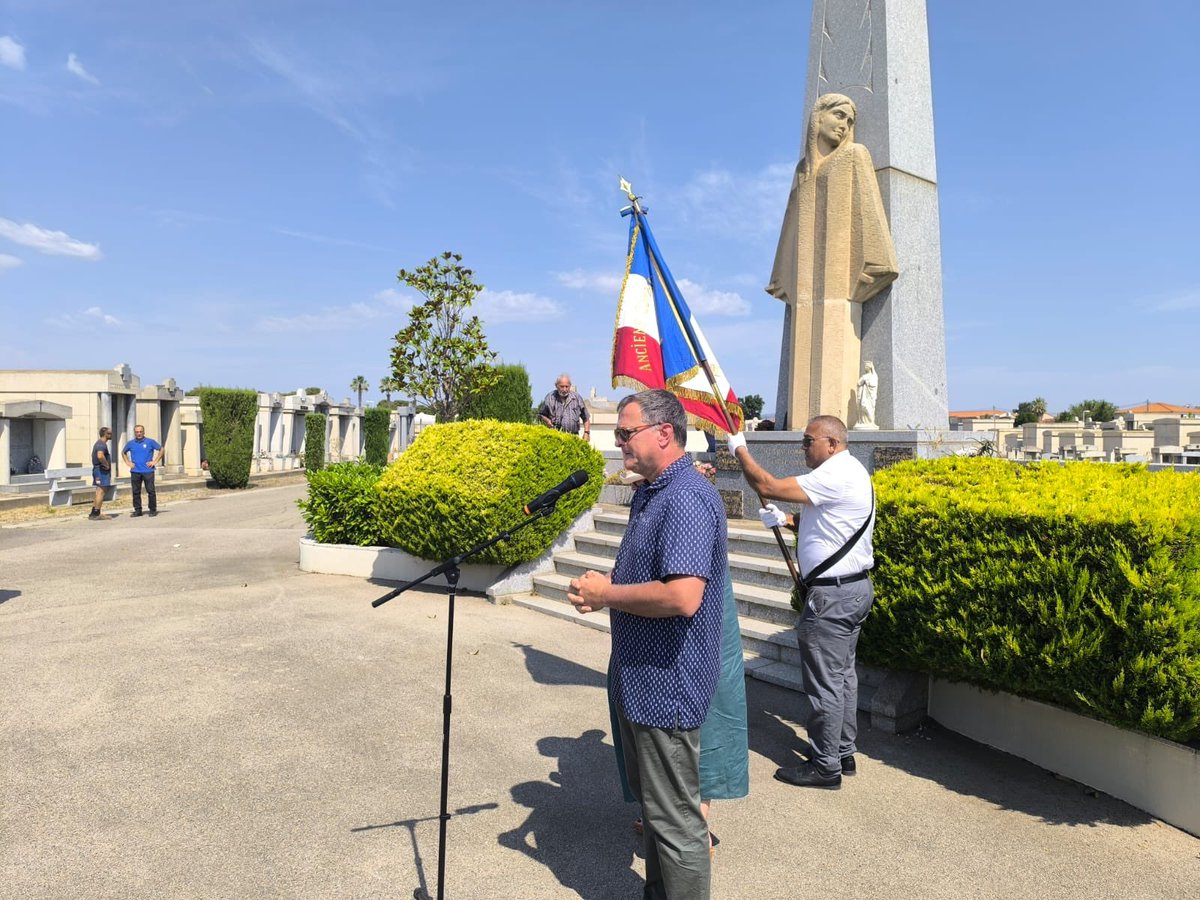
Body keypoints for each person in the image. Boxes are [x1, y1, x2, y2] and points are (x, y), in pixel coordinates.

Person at [569, 389, 726, 899]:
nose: (618, 443)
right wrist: (609, 585)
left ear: (664, 432)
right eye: (617, 433)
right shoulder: (654, 490)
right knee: (660, 818)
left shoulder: (684, 498)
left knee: (678, 826)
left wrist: (607, 593)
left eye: (625, 432)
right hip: (642, 681)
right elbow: (653, 572)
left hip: (667, 687)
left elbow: (683, 596)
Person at [727, 416, 875, 789]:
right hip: (851, 590)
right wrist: (786, 519)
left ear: (832, 443)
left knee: (825, 682)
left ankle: (826, 767)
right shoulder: (850, 470)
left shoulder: (835, 472)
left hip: (832, 597)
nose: (803, 447)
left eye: (808, 441)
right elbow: (829, 524)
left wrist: (739, 448)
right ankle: (842, 751)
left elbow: (766, 484)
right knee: (842, 676)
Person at [767, 93, 898, 429]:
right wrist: (783, 275)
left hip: (842, 287)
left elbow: (868, 210)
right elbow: (790, 223)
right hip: (806, 289)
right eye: (839, 115)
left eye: (850, 121)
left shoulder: (854, 156)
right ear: (818, 117)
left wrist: (875, 261)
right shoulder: (802, 171)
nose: (844, 125)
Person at [122, 424, 163, 517]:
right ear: (134, 433)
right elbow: (123, 452)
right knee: (136, 491)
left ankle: (152, 509)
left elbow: (161, 449)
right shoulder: (131, 443)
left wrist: (155, 461)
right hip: (135, 471)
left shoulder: (150, 442)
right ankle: (138, 510)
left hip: (148, 471)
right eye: (137, 432)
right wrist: (128, 462)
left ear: (143, 432)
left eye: (140, 432)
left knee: (151, 491)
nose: (139, 433)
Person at [538, 373, 591, 440]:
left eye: (567, 386)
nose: (565, 389)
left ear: (570, 386)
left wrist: (586, 433)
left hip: (573, 437)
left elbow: (586, 418)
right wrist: (547, 421)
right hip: (555, 437)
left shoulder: (577, 398)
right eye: (562, 386)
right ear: (556, 386)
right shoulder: (550, 398)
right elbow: (541, 415)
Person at [88, 426, 114, 521]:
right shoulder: (101, 444)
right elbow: (100, 455)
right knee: (101, 492)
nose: (111, 435)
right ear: (105, 434)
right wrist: (106, 464)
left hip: (98, 470)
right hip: (101, 471)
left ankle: (93, 512)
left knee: (98, 491)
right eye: (110, 433)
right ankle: (96, 513)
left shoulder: (100, 443)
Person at [855, 361, 878, 428]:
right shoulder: (864, 376)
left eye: (866, 366)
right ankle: (862, 422)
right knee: (862, 406)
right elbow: (859, 383)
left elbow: (874, 385)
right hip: (863, 395)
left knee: (868, 407)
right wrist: (863, 379)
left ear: (870, 367)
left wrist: (867, 381)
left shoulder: (874, 376)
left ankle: (871, 421)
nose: (865, 368)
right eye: (865, 366)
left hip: (870, 396)